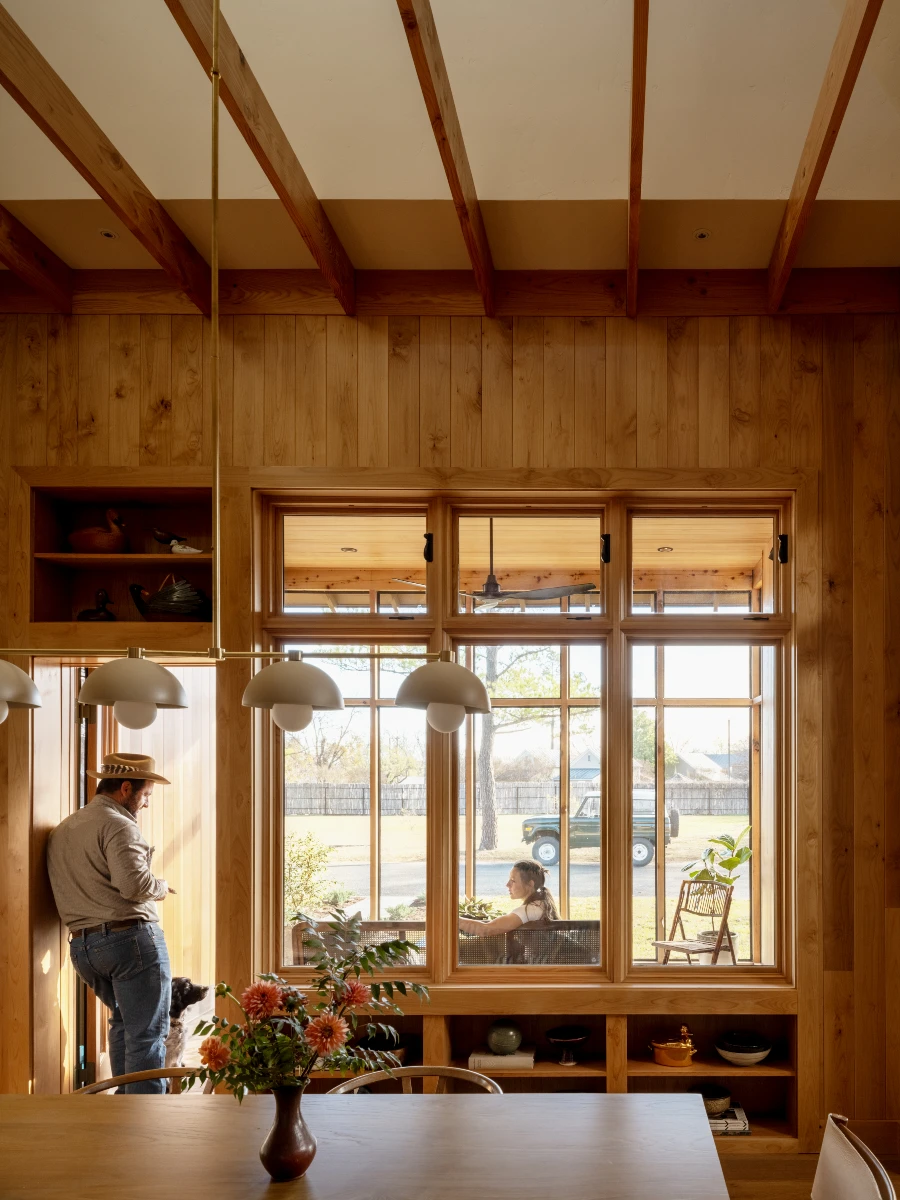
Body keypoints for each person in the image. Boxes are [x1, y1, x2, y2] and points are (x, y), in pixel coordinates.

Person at [47, 752, 175, 1094]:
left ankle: (124, 1116)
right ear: (125, 788)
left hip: (84, 949)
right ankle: (144, 1124)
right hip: (129, 940)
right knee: (147, 1033)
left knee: (123, 1024)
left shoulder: (65, 828)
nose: (146, 804)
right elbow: (135, 886)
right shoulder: (119, 825)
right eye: (146, 795)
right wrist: (161, 887)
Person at [459, 860, 559, 937]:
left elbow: (486, 930)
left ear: (530, 884)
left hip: (534, 963)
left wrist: (453, 920)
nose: (507, 885)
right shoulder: (540, 904)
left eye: (513, 880)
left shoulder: (531, 909)